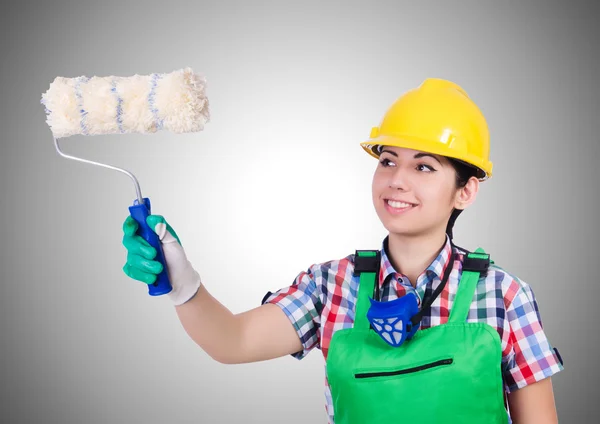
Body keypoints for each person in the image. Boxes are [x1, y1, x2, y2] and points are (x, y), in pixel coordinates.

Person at [121, 78, 563, 423]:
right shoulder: (332, 286)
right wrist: (182, 283)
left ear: (465, 191)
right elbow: (232, 341)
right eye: (388, 160)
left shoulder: (503, 296)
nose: (397, 179)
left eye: (424, 166)